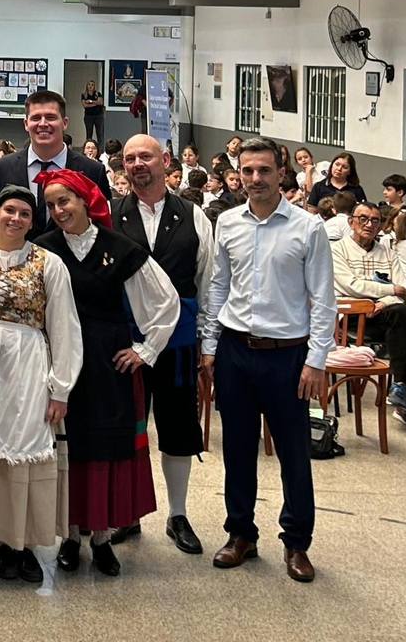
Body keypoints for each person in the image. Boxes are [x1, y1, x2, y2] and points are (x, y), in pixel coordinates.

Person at [202, 138, 334, 584]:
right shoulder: (228, 224)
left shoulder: (307, 228)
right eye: (247, 171)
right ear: (237, 174)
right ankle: (241, 534)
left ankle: (296, 542)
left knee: (294, 454)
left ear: (281, 174)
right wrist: (209, 345)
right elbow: (219, 287)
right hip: (235, 352)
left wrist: (316, 361)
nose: (255, 179)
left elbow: (323, 300)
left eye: (264, 170)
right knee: (237, 450)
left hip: (288, 356)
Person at [36, 168, 178, 579]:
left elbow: (166, 301)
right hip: (61, 360)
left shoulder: (121, 248)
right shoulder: (43, 249)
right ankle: (69, 536)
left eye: (64, 201)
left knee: (103, 449)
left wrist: (145, 350)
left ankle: (100, 538)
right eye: (50, 204)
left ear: (85, 201)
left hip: (107, 362)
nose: (58, 210)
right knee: (68, 450)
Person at [0, 186, 81, 583]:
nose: (16, 219)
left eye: (25, 213)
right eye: (10, 210)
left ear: (32, 221)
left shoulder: (49, 264)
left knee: (26, 448)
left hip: (28, 367)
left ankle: (24, 544)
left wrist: (60, 387)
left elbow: (64, 326)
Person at [113, 135, 215, 555]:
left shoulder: (194, 216)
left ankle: (177, 514)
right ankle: (128, 513)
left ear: (166, 161)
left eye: (146, 156)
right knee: (125, 431)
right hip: (125, 345)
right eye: (130, 158)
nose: (138, 164)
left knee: (177, 430)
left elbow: (208, 285)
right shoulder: (109, 214)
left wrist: (208, 345)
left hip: (178, 345)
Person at [330, 201, 406, 428]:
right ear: (351, 222)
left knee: (404, 317)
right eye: (363, 218)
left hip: (385, 313)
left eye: (375, 220)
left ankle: (400, 387)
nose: (369, 224)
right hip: (350, 316)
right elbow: (350, 285)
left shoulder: (388, 251)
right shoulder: (336, 250)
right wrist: (390, 291)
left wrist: (384, 301)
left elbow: (404, 289)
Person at [0, 90, 109, 234]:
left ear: (64, 123)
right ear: (26, 124)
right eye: (36, 118)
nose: (43, 124)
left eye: (51, 117)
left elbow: (102, 226)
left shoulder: (92, 170)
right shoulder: (3, 168)